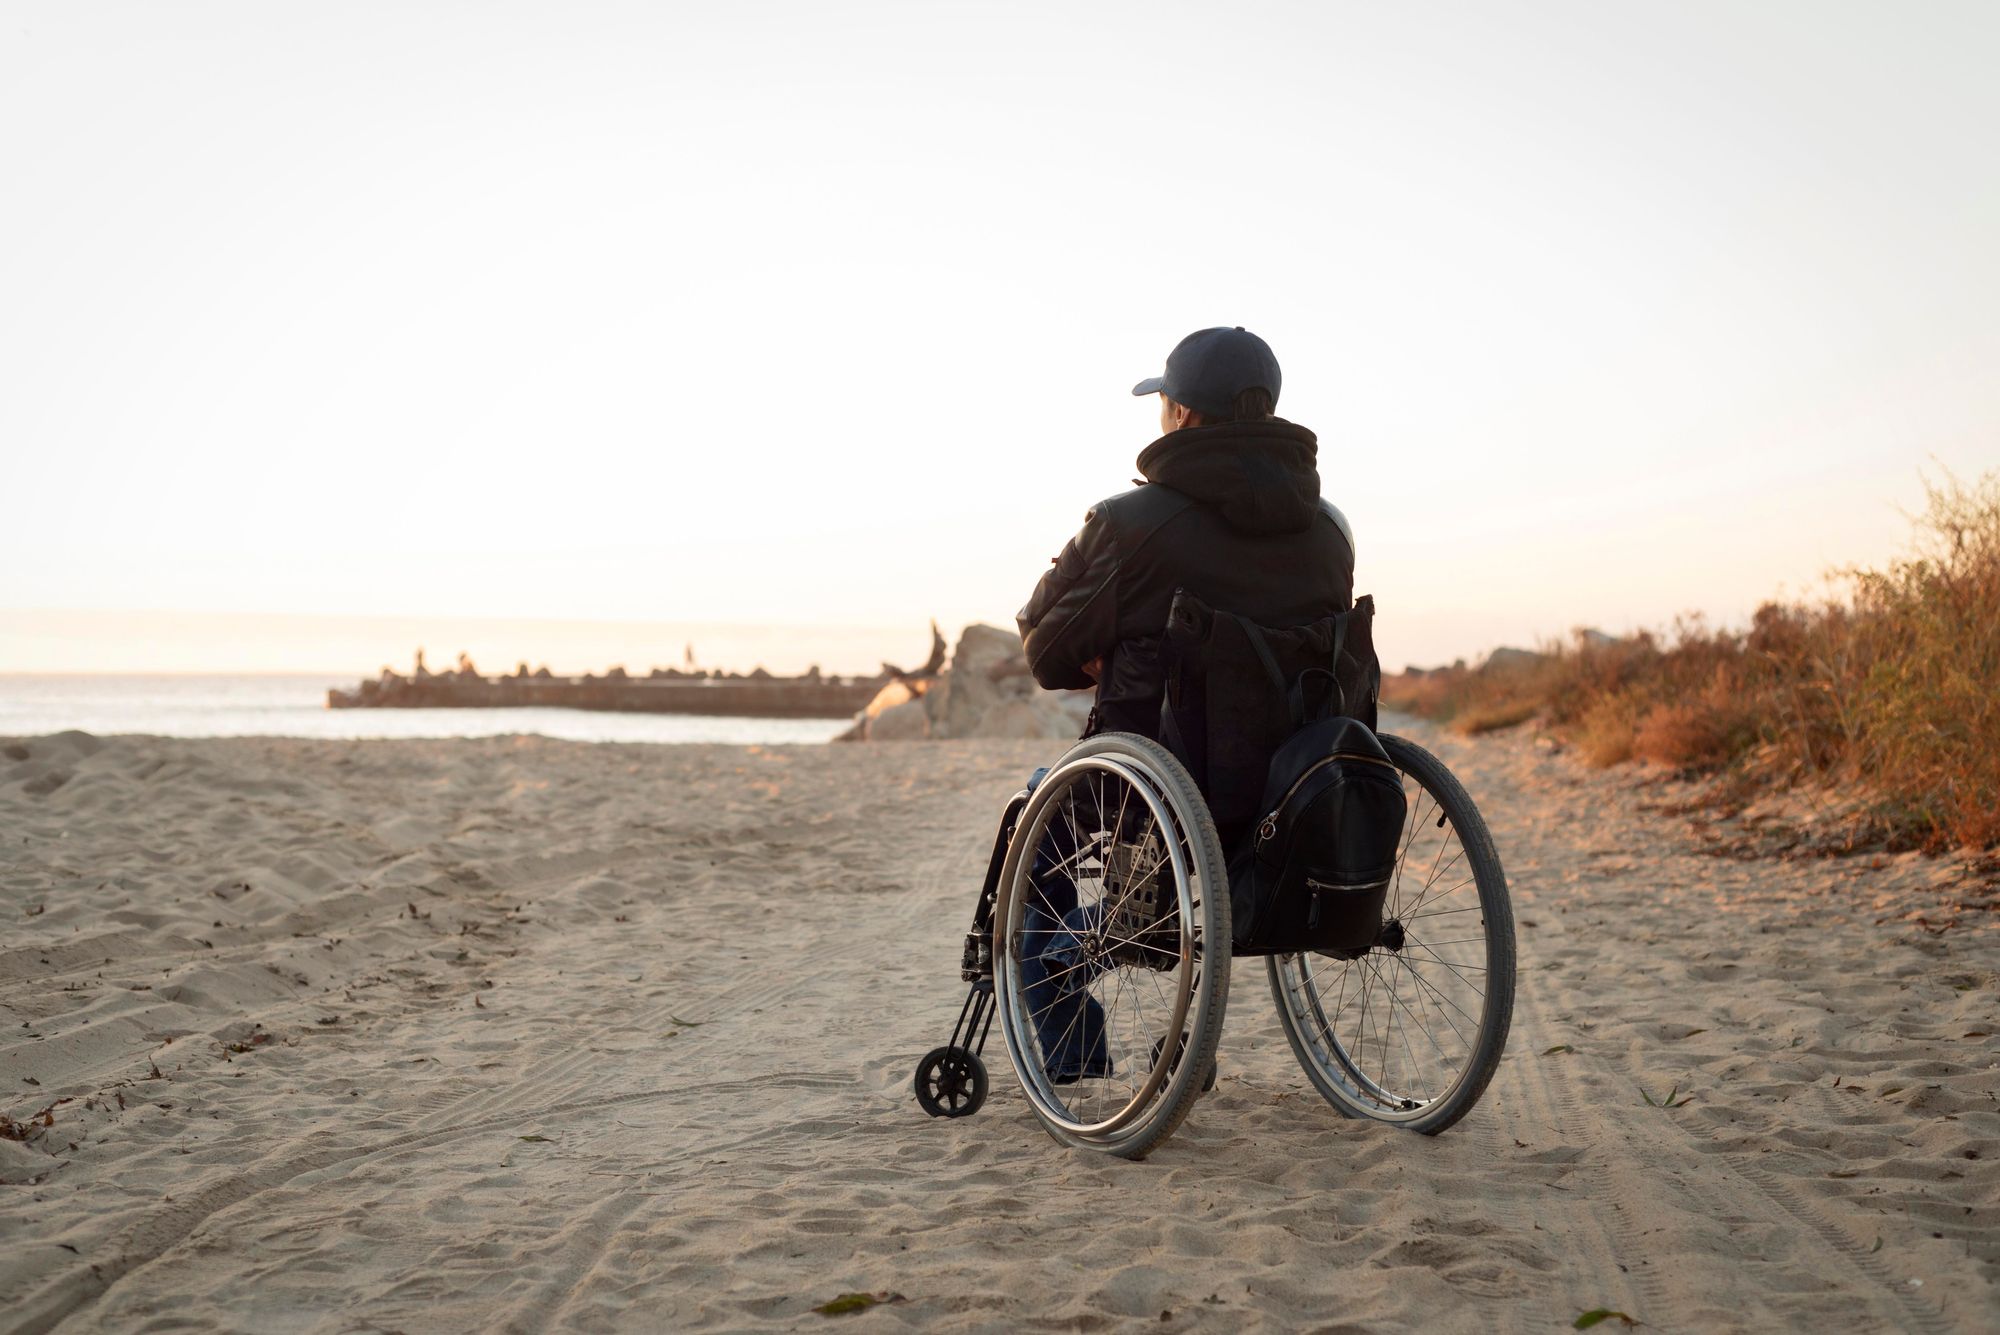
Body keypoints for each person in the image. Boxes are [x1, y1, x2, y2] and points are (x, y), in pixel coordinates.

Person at [1012, 326, 1359, 1080]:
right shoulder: (1331, 532)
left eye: (1163, 401)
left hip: (1154, 788)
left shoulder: (1131, 526)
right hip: (1295, 788)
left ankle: (1069, 1031)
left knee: (1034, 814)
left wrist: (1102, 650)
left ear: (1180, 415)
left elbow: (1043, 650)